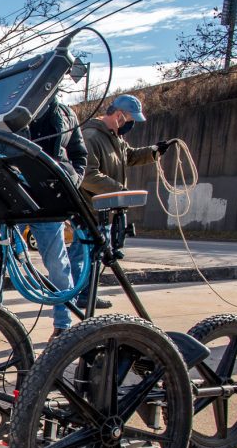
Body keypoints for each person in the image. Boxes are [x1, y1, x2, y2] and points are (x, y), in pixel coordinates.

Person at [0, 97, 88, 338]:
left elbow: (79, 155)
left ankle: (63, 326)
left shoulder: (66, 115)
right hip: (11, 202)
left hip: (48, 203)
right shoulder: (6, 111)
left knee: (58, 266)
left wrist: (71, 180)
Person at [72, 94, 172, 308]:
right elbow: (87, 175)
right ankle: (75, 295)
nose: (131, 124)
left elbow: (129, 156)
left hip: (105, 208)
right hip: (89, 209)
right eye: (130, 119)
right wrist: (120, 191)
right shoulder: (91, 137)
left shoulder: (114, 138)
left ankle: (86, 294)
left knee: (96, 257)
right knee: (82, 254)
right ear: (118, 115)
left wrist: (153, 152)